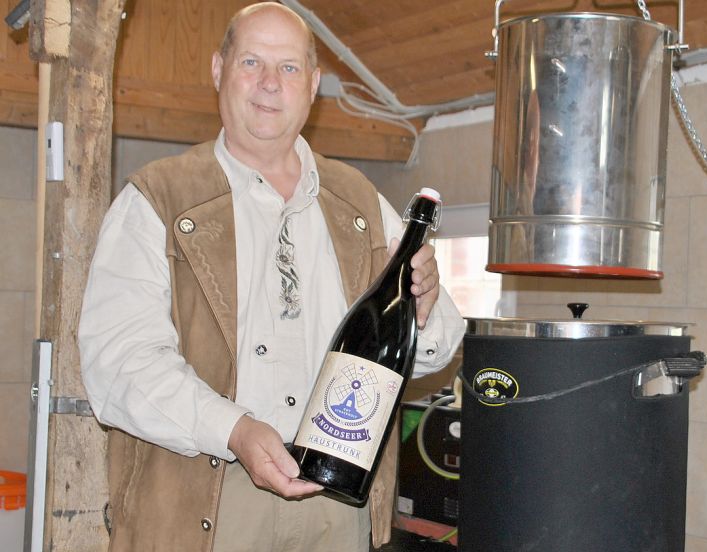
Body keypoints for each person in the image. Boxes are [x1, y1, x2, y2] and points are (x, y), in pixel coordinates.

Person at [77, 3, 465, 551]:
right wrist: (234, 429)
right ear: (218, 69)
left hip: (337, 504)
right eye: (251, 62)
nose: (268, 84)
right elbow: (118, 366)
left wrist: (424, 305)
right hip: (206, 501)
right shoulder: (156, 200)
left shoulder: (360, 203)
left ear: (313, 84)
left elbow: (434, 349)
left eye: (287, 68)